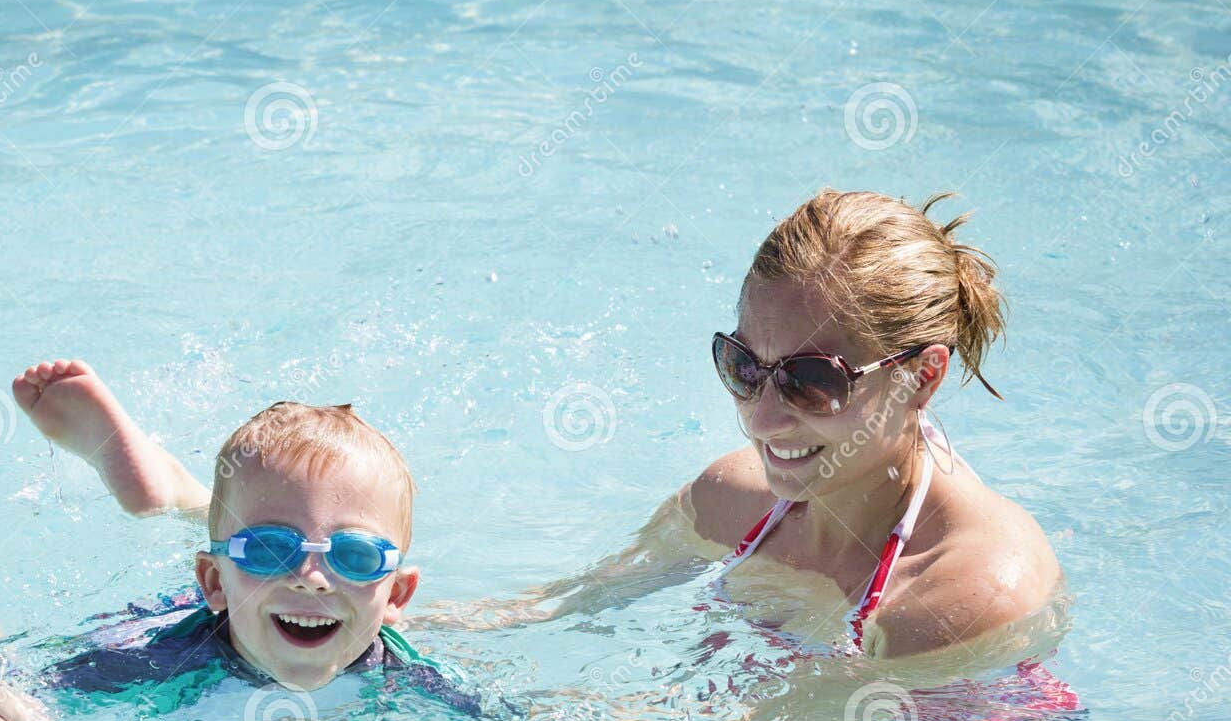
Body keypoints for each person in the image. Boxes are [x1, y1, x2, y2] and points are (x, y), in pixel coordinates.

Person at [442, 189, 1066, 665]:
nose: (761, 417)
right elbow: (561, 605)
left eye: (814, 380)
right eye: (744, 366)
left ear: (922, 377)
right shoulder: (728, 499)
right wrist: (395, 623)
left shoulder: (965, 594)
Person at [0, 359, 465, 721]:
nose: (312, 579)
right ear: (212, 580)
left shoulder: (414, 678)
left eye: (356, 555)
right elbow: (7, 675)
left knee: (479, 618)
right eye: (271, 549)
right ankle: (164, 495)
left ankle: (174, 496)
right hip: (186, 608)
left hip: (302, 601)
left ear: (397, 595)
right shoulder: (159, 656)